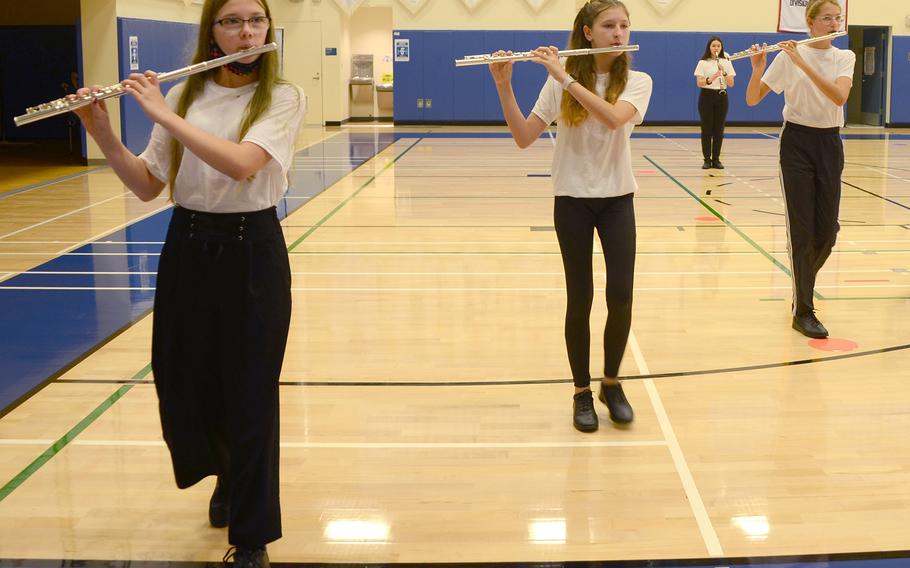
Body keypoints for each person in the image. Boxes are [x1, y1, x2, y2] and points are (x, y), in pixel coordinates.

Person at [70, 0, 305, 566]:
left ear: (268, 27)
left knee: (250, 392)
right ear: (212, 32)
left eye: (255, 20)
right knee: (185, 382)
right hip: (187, 246)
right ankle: (226, 471)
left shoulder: (282, 96)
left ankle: (251, 538)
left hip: (253, 249)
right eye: (231, 21)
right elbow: (148, 185)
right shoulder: (186, 93)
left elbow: (242, 165)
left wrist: (163, 115)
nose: (246, 31)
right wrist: (102, 130)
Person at [489, 0, 652, 432]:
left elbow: (615, 120)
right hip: (572, 201)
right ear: (587, 33)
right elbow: (525, 137)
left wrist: (563, 77)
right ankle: (582, 391)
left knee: (620, 295)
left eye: (624, 25)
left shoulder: (638, 81)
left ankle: (611, 383)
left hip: (618, 199)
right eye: (609, 25)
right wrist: (505, 86)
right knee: (580, 299)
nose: (619, 33)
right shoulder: (558, 84)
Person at [745, 0, 854, 339]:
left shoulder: (843, 57)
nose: (834, 23)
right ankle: (804, 309)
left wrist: (802, 63)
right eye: (826, 18)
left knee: (827, 233)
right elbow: (752, 99)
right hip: (796, 143)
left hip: (829, 144)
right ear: (810, 23)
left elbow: (838, 97)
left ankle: (800, 283)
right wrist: (757, 67)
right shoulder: (786, 56)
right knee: (802, 231)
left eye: (837, 18)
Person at [694, 36, 735, 169]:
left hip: (722, 96)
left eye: (718, 46)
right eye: (713, 46)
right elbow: (699, 83)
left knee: (719, 129)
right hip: (707, 96)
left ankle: (716, 159)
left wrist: (723, 72)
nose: (716, 48)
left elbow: (731, 83)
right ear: (709, 47)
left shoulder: (726, 61)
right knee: (707, 129)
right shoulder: (703, 62)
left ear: (721, 47)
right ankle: (707, 159)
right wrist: (712, 77)